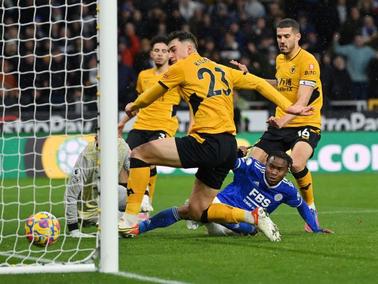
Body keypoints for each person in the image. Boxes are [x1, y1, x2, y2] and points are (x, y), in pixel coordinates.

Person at [118, 31, 313, 242]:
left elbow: (152, 93)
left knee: (139, 154)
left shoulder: (182, 67)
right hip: (228, 147)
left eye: (173, 50)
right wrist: (289, 107)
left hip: (205, 142)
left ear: (189, 49)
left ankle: (129, 219)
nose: (171, 55)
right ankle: (252, 216)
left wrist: (133, 106)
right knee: (196, 209)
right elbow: (258, 83)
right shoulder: (222, 69)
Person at [232, 18, 323, 232]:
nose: (282, 41)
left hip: (305, 123)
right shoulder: (280, 60)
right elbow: (280, 85)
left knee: (298, 163)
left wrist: (282, 119)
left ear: (297, 36)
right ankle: (244, 211)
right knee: (252, 165)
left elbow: (302, 101)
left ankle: (311, 209)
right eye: (279, 37)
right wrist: (251, 77)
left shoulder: (308, 62)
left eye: (286, 36)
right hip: (280, 125)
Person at [128, 151, 333, 237]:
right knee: (188, 210)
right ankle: (139, 228)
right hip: (219, 202)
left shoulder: (287, 189)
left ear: (286, 171)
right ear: (267, 164)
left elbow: (302, 206)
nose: (273, 171)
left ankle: (202, 217)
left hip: (237, 227)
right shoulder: (252, 167)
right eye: (271, 166)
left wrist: (315, 229)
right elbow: (230, 162)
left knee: (250, 230)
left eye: (279, 169)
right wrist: (234, 153)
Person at [118, 35, 182, 215]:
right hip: (141, 125)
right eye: (157, 50)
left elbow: (192, 101)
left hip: (164, 126)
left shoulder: (177, 73)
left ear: (170, 55)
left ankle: (145, 200)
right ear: (151, 54)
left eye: (164, 51)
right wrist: (122, 123)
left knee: (149, 155)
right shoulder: (143, 76)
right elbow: (139, 103)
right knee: (124, 159)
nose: (160, 54)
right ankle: (128, 206)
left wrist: (194, 123)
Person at [65, 137, 130, 238]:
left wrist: (143, 195)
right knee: (124, 230)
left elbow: (135, 170)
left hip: (107, 195)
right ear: (96, 139)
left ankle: (118, 218)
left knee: (133, 200)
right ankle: (110, 221)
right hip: (87, 208)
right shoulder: (87, 156)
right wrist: (74, 230)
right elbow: (70, 194)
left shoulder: (123, 147)